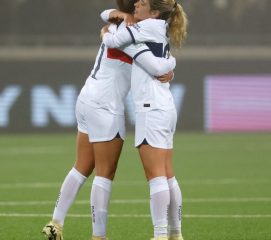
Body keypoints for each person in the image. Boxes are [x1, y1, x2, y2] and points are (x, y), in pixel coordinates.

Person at [41, 1, 176, 240]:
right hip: (106, 106)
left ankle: (56, 222)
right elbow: (154, 62)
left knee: (82, 166)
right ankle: (98, 236)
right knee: (105, 173)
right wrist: (170, 66)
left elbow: (106, 17)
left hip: (86, 98)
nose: (138, 6)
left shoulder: (118, 26)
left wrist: (116, 16)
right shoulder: (134, 35)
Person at [101, 0, 188, 239]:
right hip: (164, 105)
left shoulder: (147, 27)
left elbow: (112, 42)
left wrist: (108, 31)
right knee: (167, 173)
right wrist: (172, 63)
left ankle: (160, 235)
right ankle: (175, 233)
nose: (137, 4)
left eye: (143, 2)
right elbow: (105, 12)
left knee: (156, 175)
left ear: (154, 12)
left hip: (151, 107)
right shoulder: (157, 27)